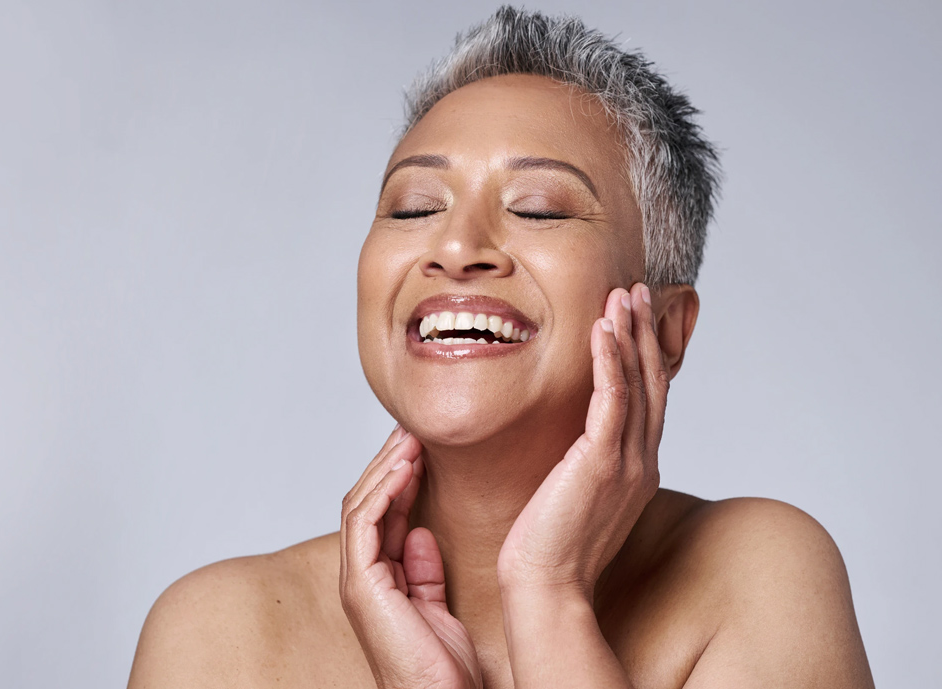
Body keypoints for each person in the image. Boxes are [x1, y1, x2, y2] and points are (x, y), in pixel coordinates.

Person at [127, 7, 874, 688]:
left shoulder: (760, 575)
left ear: (668, 329)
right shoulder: (215, 638)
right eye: (414, 206)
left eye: (539, 210)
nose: (455, 247)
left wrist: (550, 598)